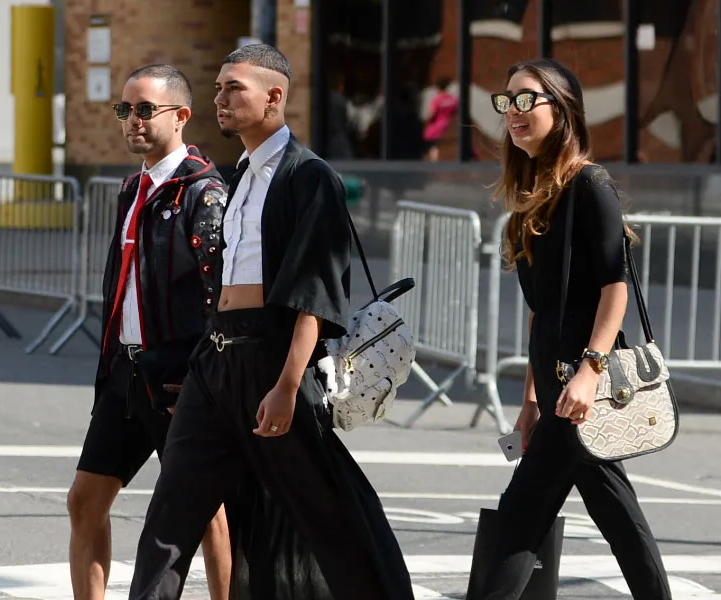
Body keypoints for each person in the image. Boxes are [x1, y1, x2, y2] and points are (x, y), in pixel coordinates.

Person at [126, 44, 415, 600]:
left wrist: (286, 386)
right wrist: (203, 362)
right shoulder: (237, 176)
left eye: (234, 88)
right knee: (170, 515)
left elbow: (315, 294)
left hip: (273, 361)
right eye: (217, 88)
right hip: (215, 365)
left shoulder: (310, 178)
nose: (220, 98)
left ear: (274, 97)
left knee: (331, 516)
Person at [467, 58, 672, 600]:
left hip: (585, 384)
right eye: (506, 100)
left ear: (560, 109)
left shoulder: (589, 185)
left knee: (522, 515)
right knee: (613, 518)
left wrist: (590, 371)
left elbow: (615, 286)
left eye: (526, 98)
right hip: (557, 387)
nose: (512, 111)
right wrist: (532, 396)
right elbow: (543, 309)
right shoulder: (533, 197)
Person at [65, 64, 231, 600]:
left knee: (207, 514)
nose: (131, 121)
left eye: (144, 110)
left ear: (181, 116)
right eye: (123, 110)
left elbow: (221, 296)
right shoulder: (133, 186)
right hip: (125, 372)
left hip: (179, 377)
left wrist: (205, 373)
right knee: (85, 500)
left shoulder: (202, 192)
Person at [422, 77, 457, 161]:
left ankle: (434, 163)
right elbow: (455, 112)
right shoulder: (453, 99)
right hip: (449, 126)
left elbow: (432, 114)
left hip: (436, 127)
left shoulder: (437, 100)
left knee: (432, 145)